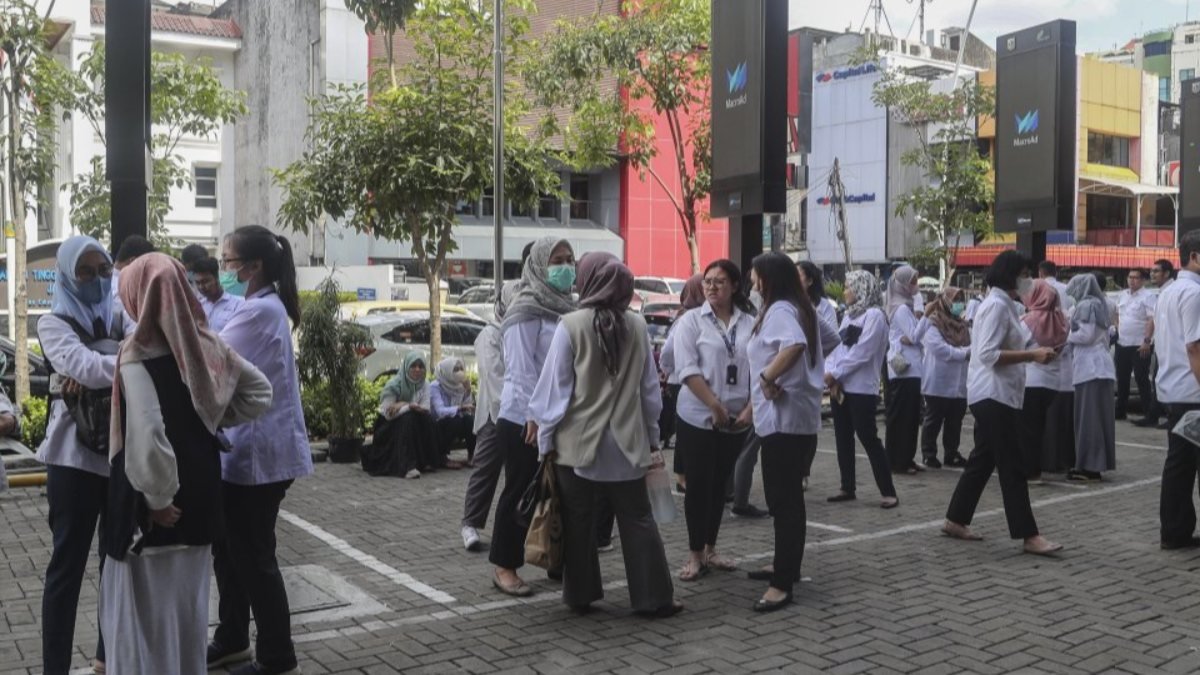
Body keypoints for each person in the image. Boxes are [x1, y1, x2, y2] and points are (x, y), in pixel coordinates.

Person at [100, 253, 272, 675]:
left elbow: (147, 433)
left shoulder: (137, 354)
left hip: (157, 513)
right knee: (187, 618)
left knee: (144, 624)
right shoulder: (206, 345)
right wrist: (209, 414)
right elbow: (259, 393)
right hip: (201, 502)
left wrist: (158, 497)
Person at [529, 252, 679, 616]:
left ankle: (580, 595)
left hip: (577, 445)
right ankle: (653, 599)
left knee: (578, 522)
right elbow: (649, 393)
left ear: (587, 280)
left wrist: (545, 443)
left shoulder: (571, 324)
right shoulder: (638, 325)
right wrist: (653, 436)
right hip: (628, 445)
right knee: (638, 520)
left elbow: (555, 392)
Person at [209, 225, 312, 675]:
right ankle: (232, 639)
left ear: (253, 267)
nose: (224, 270)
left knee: (252, 557)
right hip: (248, 455)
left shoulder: (259, 314)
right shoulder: (260, 307)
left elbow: (210, 363)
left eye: (228, 262)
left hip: (259, 458)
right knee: (230, 552)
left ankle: (277, 657)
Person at [38, 235, 132, 675]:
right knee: (66, 569)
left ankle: (105, 658)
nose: (97, 280)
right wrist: (114, 359)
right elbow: (87, 368)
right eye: (86, 272)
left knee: (115, 563)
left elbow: (144, 349)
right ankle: (54, 667)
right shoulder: (52, 322)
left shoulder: (117, 310)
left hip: (117, 455)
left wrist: (96, 363)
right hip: (72, 462)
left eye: (103, 271)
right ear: (66, 273)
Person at [943, 250, 1062, 556]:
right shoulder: (996, 306)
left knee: (983, 460)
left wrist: (1041, 350)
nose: (1029, 281)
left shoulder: (1004, 305)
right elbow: (987, 354)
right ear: (1011, 275)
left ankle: (956, 518)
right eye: (1024, 274)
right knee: (1012, 465)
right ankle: (1029, 535)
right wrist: (1032, 356)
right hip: (993, 394)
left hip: (999, 394)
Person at [743, 252, 839, 612]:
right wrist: (806, 376)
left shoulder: (782, 310)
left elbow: (796, 345)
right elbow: (827, 341)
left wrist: (770, 376)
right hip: (795, 415)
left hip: (783, 418)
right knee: (788, 500)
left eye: (754, 276)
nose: (751, 283)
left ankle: (782, 583)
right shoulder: (802, 308)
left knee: (783, 501)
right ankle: (787, 565)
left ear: (767, 279)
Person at [490, 236, 577, 597]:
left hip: (558, 415)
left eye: (570, 259)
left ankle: (556, 558)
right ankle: (505, 566)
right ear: (539, 264)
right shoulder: (524, 309)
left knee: (559, 493)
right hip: (523, 418)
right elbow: (522, 371)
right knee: (521, 492)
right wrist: (533, 417)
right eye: (557, 259)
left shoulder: (569, 307)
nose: (565, 266)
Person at [668, 260, 755, 582]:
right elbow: (686, 369)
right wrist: (714, 406)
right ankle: (694, 556)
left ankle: (711, 548)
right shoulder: (692, 321)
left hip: (736, 418)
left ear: (734, 286)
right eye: (708, 281)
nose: (712, 287)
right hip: (698, 416)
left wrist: (750, 409)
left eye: (720, 281)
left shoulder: (749, 323)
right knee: (698, 487)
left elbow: (760, 368)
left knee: (720, 487)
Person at [825, 271, 898, 508]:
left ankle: (888, 491)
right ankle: (847, 486)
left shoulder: (875, 316)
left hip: (861, 388)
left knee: (868, 437)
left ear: (862, 288)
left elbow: (863, 352)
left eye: (849, 286)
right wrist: (831, 372)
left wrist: (835, 373)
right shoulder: (849, 316)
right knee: (842, 437)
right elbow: (837, 347)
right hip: (841, 386)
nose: (845, 291)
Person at [461, 283, 518, 552]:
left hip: (521, 414)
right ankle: (470, 524)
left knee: (519, 476)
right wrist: (511, 409)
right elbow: (492, 375)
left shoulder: (521, 332)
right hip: (496, 416)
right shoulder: (490, 335)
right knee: (485, 471)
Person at [1153, 231, 1200, 549]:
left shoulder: (1169, 291)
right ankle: (1174, 531)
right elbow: (1194, 347)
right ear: (1195, 257)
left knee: (1181, 464)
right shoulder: (1194, 294)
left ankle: (1176, 529)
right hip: (1192, 392)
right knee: (1182, 465)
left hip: (1174, 388)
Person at [1066, 274, 1117, 482]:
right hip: (1100, 366)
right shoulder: (1101, 304)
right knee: (1099, 417)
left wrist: (1065, 335)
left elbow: (1086, 336)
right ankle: (1096, 462)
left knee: (1089, 418)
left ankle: (1089, 466)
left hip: (1090, 367)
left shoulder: (1087, 305)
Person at [1017, 280, 1069, 481]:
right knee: (1038, 428)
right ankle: (1036, 467)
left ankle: (1029, 470)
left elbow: (1015, 345)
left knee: (1026, 429)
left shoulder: (1029, 321)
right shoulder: (1062, 320)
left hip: (1030, 381)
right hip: (1052, 382)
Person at [659, 275, 704, 492]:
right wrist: (668, 371)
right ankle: (681, 477)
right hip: (681, 381)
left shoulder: (706, 317)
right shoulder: (686, 319)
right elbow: (666, 353)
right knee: (684, 431)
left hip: (691, 382)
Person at [362, 352, 439, 478]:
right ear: (406, 367)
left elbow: (425, 408)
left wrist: (404, 404)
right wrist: (409, 406)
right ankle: (407, 466)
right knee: (408, 418)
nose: (417, 370)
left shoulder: (424, 384)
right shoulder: (393, 385)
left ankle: (426, 461)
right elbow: (388, 414)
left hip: (411, 422)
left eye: (421, 366)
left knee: (426, 418)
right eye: (413, 366)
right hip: (388, 427)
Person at [918, 287, 971, 469]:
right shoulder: (934, 323)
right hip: (938, 381)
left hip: (958, 382)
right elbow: (939, 349)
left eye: (961, 299)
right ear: (945, 301)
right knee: (933, 419)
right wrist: (964, 353)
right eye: (955, 299)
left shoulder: (962, 325)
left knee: (955, 421)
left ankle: (952, 453)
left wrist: (965, 353)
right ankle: (929, 453)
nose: (959, 304)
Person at [884, 266, 924, 475]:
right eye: (912, 281)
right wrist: (927, 315)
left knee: (911, 417)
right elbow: (916, 336)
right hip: (903, 369)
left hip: (912, 369)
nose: (915, 285)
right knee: (901, 417)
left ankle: (907, 458)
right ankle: (897, 461)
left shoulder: (905, 307)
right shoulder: (900, 309)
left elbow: (912, 337)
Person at [1114, 269, 1160, 427]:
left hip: (1140, 345)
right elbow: (1116, 314)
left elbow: (1151, 320)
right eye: (1130, 277)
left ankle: (1149, 414)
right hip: (1122, 343)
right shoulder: (1123, 295)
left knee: (1141, 378)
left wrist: (1147, 341)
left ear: (1143, 280)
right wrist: (1117, 327)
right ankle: (1120, 411)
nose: (1132, 280)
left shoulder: (1148, 297)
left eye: (1136, 278)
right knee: (1122, 378)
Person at [430, 357, 475, 468]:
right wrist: (459, 408)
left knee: (469, 420)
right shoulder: (435, 386)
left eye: (461, 369)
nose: (459, 372)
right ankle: (442, 458)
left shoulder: (459, 386)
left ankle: (472, 455)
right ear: (447, 370)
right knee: (456, 421)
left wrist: (468, 391)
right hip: (438, 425)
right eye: (455, 369)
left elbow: (468, 408)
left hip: (456, 422)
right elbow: (440, 411)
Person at [193, 256, 245, 333]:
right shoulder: (198, 306)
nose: (201, 287)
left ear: (217, 278)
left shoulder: (238, 304)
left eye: (205, 281)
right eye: (198, 283)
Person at [799, 261, 837, 329]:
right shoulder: (791, 304)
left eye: (799, 276)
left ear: (810, 281)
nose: (794, 279)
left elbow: (833, 335)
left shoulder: (825, 306)